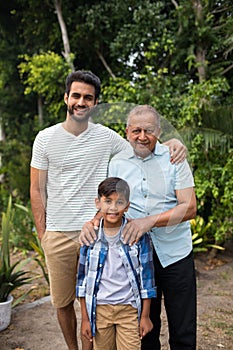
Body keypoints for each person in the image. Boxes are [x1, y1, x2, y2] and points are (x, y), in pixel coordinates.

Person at [30, 69, 187, 350]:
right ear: (66, 97)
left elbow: (142, 142)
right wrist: (44, 234)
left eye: (88, 98)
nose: (81, 102)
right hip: (59, 233)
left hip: (102, 233)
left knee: (100, 299)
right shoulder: (45, 138)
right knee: (64, 302)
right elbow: (36, 190)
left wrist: (172, 144)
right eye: (76, 95)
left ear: (95, 103)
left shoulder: (107, 137)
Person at [80, 105, 197, 350]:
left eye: (149, 130)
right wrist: (92, 222)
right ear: (126, 132)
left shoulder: (174, 157)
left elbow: (189, 207)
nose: (142, 136)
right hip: (135, 257)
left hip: (175, 253)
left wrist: (149, 221)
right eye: (136, 131)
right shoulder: (117, 163)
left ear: (159, 131)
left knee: (183, 330)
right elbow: (110, 203)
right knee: (145, 330)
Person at [76, 177, 156, 350]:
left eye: (119, 202)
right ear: (98, 203)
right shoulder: (90, 237)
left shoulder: (138, 237)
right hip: (100, 311)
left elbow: (147, 279)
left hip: (129, 310)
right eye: (108, 201)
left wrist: (145, 316)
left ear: (127, 206)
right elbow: (82, 283)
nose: (113, 207)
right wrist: (85, 319)